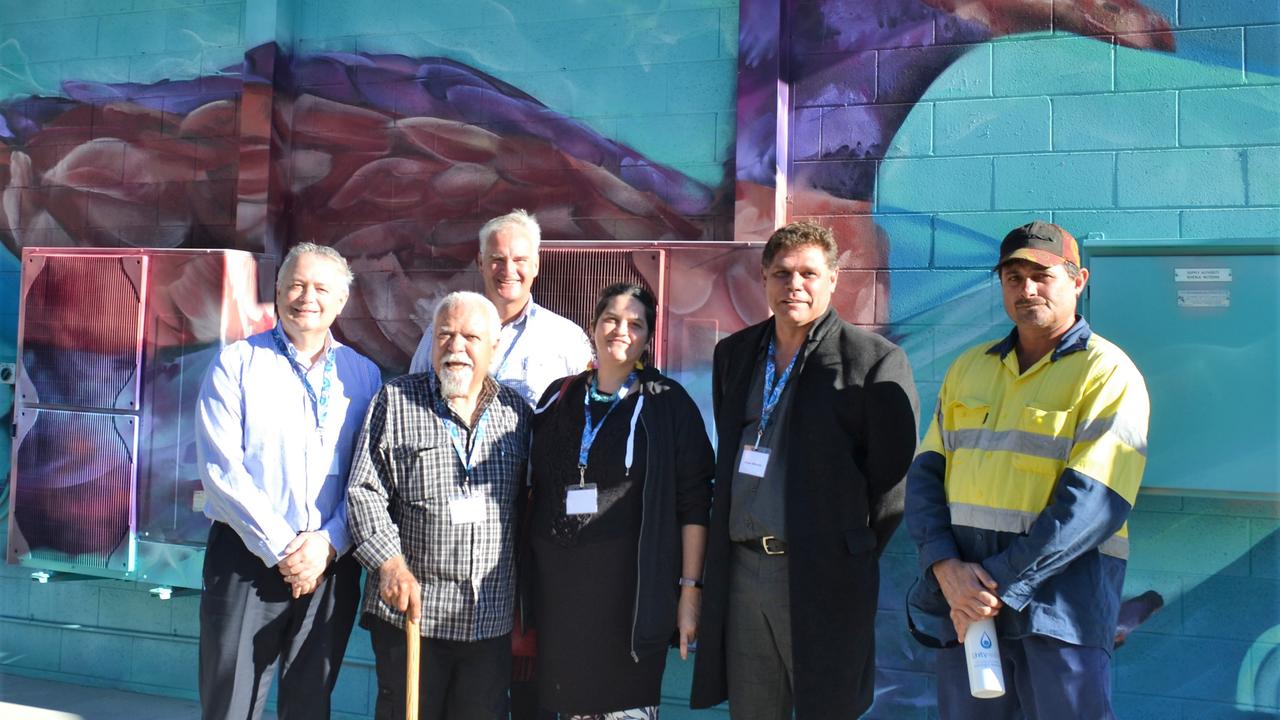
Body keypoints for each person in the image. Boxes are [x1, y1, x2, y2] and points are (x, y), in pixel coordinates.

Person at [904, 221, 1150, 719]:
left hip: (1060, 614)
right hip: (969, 613)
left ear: (1078, 281)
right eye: (1013, 278)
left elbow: (1094, 502)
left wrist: (985, 586)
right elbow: (926, 477)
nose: (1027, 289)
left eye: (1042, 275)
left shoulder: (1106, 373)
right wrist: (946, 569)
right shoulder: (968, 369)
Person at [690, 222, 920, 719]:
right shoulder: (735, 355)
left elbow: (891, 485)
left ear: (833, 279)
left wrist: (848, 553)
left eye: (809, 274)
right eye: (782, 273)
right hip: (743, 571)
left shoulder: (873, 361)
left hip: (822, 575)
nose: (795, 284)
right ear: (765, 279)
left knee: (828, 709)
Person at [196, 242, 382, 720]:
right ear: (277, 292)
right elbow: (221, 471)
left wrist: (326, 544)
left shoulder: (364, 376)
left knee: (308, 702)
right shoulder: (235, 363)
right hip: (245, 558)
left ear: (341, 301)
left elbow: (369, 476)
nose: (307, 297)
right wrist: (284, 548)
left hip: (330, 565)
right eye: (296, 285)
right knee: (231, 702)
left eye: (321, 288)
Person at [522, 282, 714, 719]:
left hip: (632, 604)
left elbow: (694, 502)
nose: (620, 330)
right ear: (592, 326)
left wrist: (689, 592)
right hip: (560, 601)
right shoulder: (558, 396)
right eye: (611, 319)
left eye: (635, 323)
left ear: (648, 336)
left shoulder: (668, 405)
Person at [347, 291, 532, 720]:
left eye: (470, 337)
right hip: (412, 616)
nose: (456, 347)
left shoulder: (516, 415)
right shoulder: (395, 402)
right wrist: (389, 564)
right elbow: (364, 491)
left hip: (487, 620)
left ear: (494, 347)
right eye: (445, 335)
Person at [409, 209, 592, 406]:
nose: (508, 270)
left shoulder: (567, 338)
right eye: (497, 259)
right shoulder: (441, 332)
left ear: (536, 265)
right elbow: (412, 396)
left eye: (519, 260)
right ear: (480, 262)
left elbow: (584, 412)